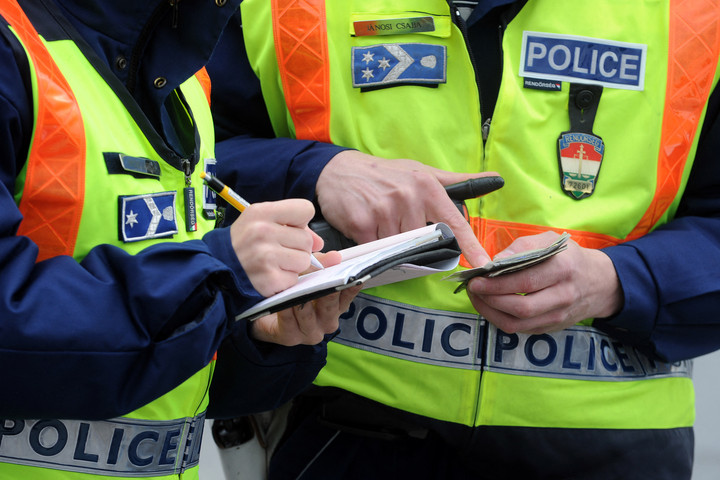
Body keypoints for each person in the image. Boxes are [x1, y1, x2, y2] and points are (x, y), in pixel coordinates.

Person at [206, 0, 720, 479]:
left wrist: (617, 280)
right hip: (344, 430)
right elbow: (176, 173)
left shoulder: (699, 13)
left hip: (609, 446)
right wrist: (315, 170)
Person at [0, 0, 360, 478]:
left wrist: (255, 332)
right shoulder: (13, 49)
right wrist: (217, 276)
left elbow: (165, 382)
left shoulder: (187, 75)